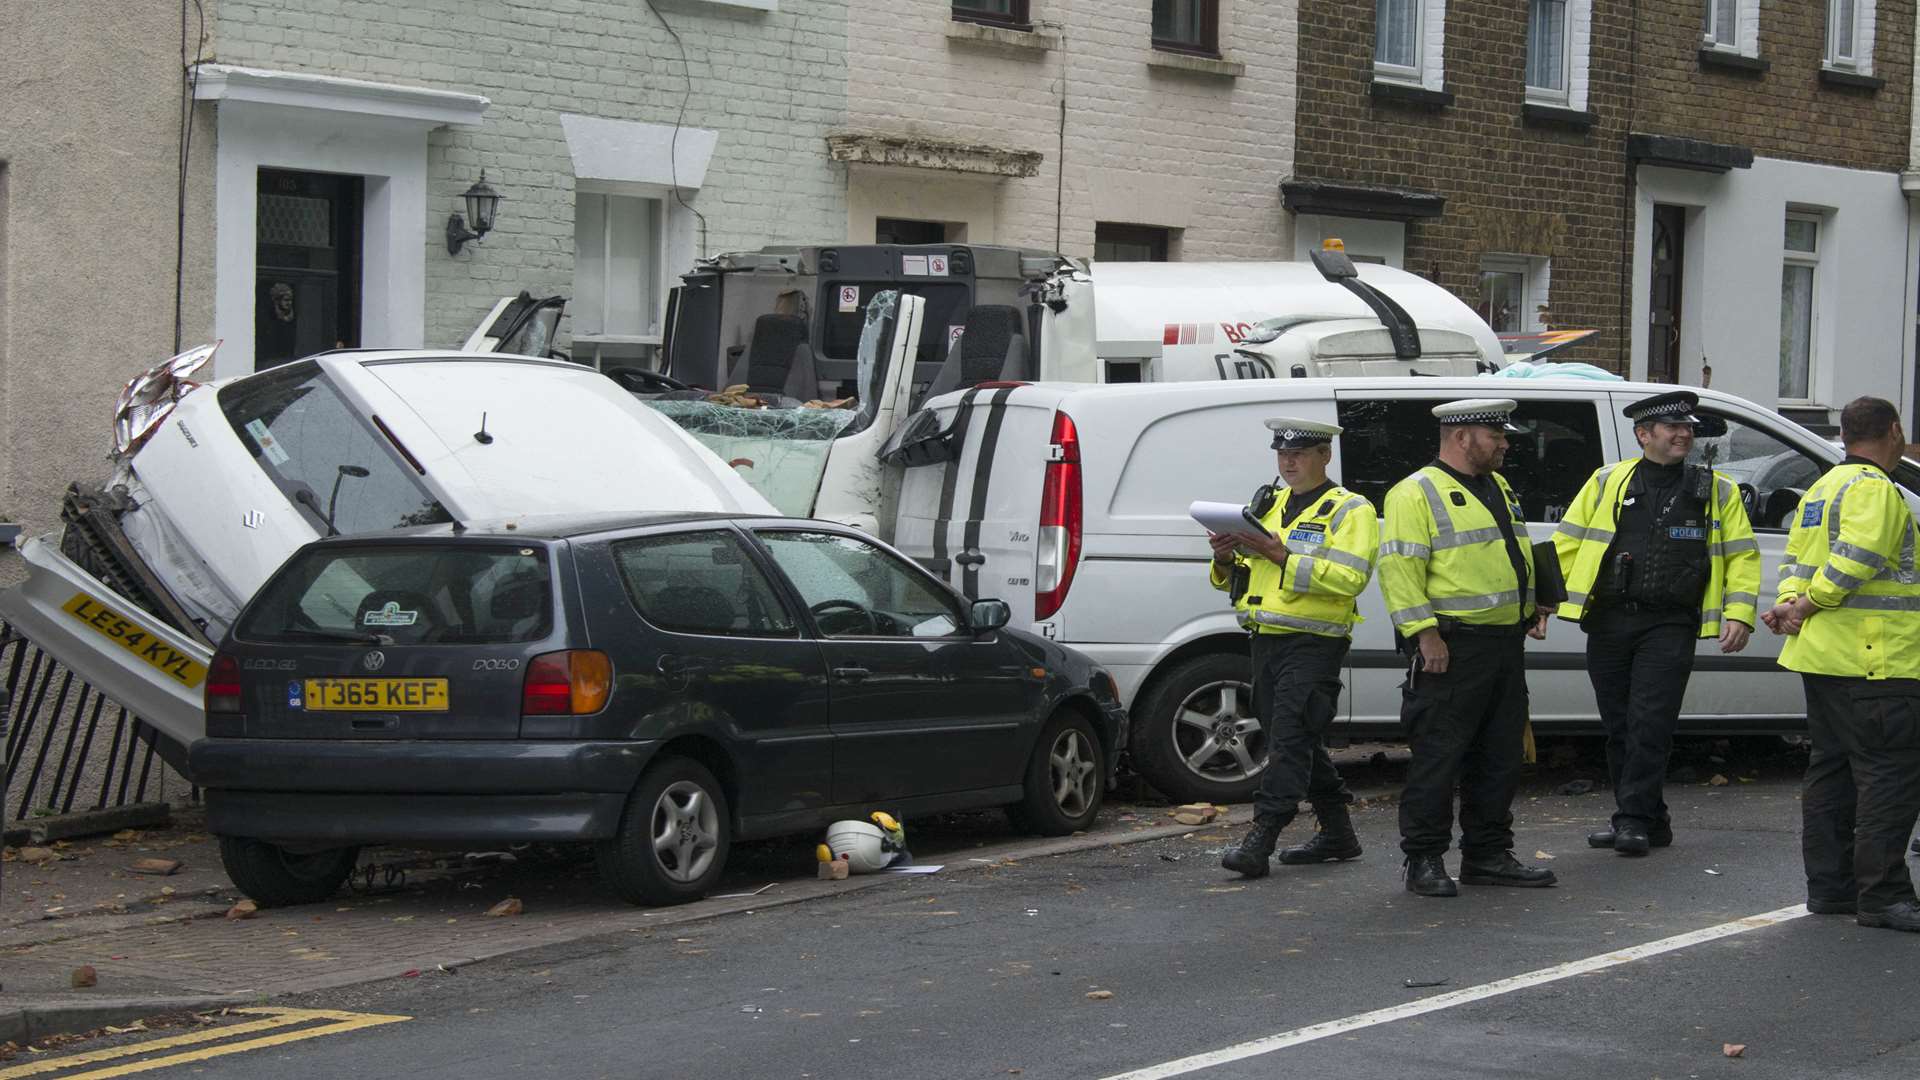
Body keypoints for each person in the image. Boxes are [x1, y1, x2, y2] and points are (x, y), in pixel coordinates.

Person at [1551, 390, 1760, 856]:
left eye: (1688, 428)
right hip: (1608, 621)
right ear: (1644, 435)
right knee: (1619, 724)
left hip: (1670, 623)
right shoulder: (1608, 481)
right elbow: (1568, 541)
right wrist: (1544, 601)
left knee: (1650, 722)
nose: (1684, 434)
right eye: (1673, 427)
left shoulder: (1716, 489)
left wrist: (1740, 614)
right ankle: (1651, 817)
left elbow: (1742, 556)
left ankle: (1630, 820)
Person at [1378, 399, 1556, 897]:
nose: (1504, 444)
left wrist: (1533, 606)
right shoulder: (1414, 493)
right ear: (1461, 437)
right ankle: (1424, 859)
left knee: (1498, 756)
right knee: (1439, 756)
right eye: (1496, 436)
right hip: (1451, 647)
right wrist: (1425, 634)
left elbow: (1507, 554)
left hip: (1503, 645)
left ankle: (1487, 854)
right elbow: (1399, 570)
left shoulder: (1497, 485)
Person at [1762, 396, 1920, 932]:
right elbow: (1858, 557)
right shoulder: (1876, 490)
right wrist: (1807, 604)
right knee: (1887, 777)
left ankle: (1831, 889)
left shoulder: (1821, 488)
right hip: (1878, 659)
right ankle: (1884, 896)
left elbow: (1795, 559)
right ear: (1894, 432)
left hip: (1824, 656)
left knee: (1832, 772)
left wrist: (1790, 602)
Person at [1213, 418, 1379, 878]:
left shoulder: (1351, 510)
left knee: (1287, 738)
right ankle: (1338, 833)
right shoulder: (1267, 503)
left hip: (1316, 641)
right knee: (1298, 736)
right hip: (1265, 639)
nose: (1288, 462)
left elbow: (1351, 579)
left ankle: (1262, 835)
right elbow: (1242, 573)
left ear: (1325, 456)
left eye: (1300, 453)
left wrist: (1282, 555)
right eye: (1282, 454)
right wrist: (1224, 556)